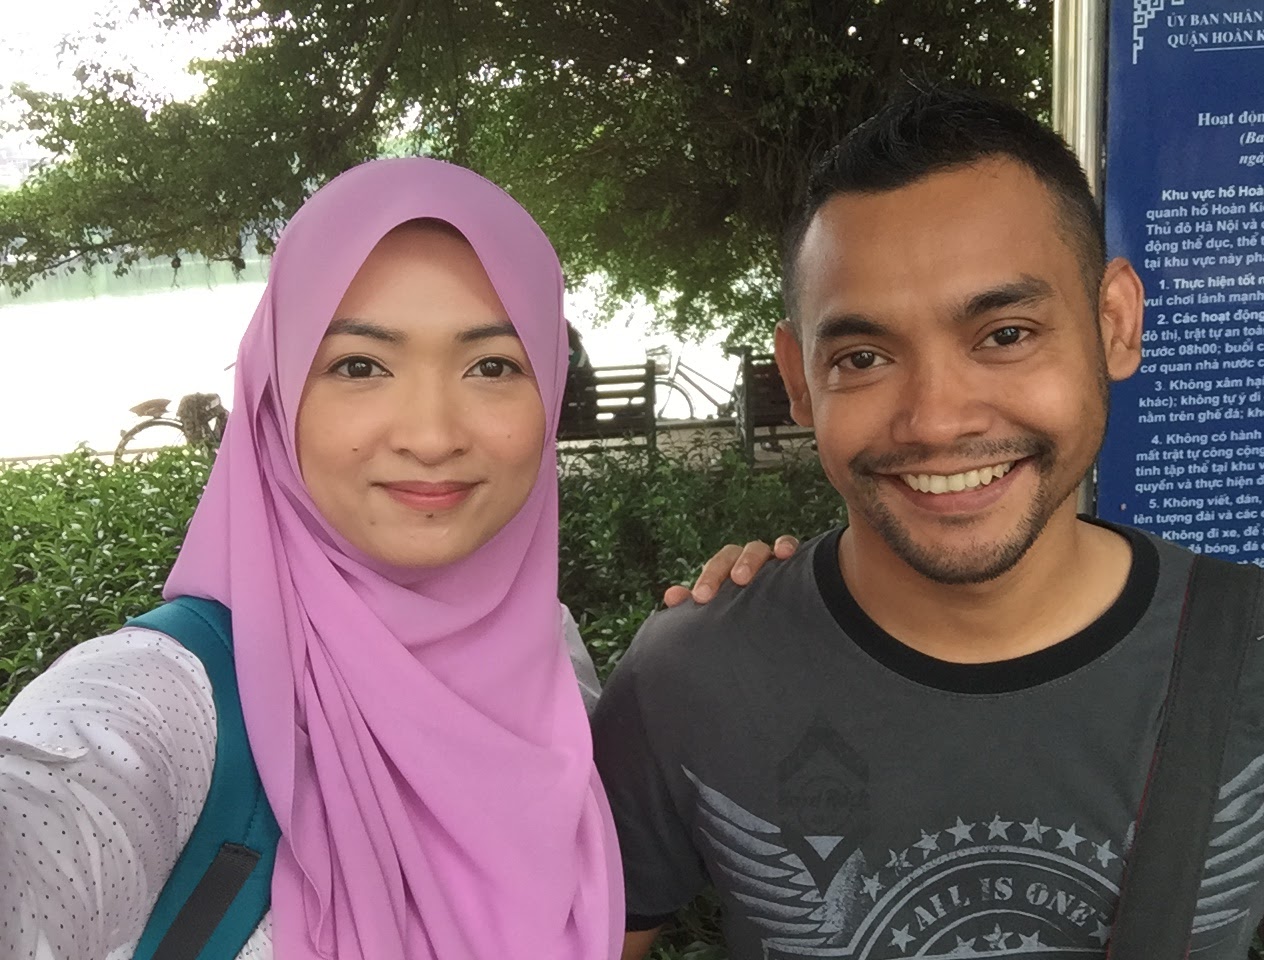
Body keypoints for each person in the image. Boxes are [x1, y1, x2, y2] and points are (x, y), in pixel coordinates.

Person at [0, 157, 760, 960]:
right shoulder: (168, 700)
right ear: (275, 397)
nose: (431, 436)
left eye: (493, 366)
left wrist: (772, 620)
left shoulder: (547, 654)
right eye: (359, 366)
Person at [593, 86, 1264, 960]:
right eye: (863, 357)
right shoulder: (692, 677)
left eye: (1006, 335)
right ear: (798, 379)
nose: (937, 421)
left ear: (1114, 322)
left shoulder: (1259, 651)